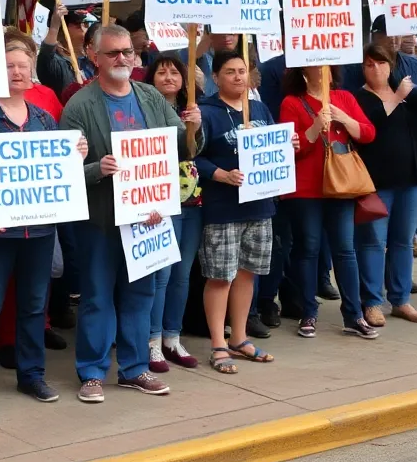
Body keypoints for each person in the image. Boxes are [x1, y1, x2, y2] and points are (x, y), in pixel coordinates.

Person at [59, 24, 197, 403]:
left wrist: (192, 129)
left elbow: (180, 151)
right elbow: (64, 170)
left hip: (148, 220)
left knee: (140, 296)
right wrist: (95, 169)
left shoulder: (151, 95)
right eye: (113, 53)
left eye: (127, 52)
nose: (122, 58)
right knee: (98, 298)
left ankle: (134, 370)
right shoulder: (79, 106)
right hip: (101, 222)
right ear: (94, 57)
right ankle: (92, 373)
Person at [0, 37, 86, 407]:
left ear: (32, 70)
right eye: (8, 66)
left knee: (35, 305)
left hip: (40, 230)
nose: (16, 72)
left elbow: (55, 172)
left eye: (22, 66)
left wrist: (76, 155)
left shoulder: (44, 119)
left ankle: (32, 375)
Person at [195, 51, 291, 374]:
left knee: (248, 272)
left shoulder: (260, 108)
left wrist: (286, 145)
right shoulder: (207, 112)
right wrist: (221, 174)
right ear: (216, 77)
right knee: (221, 276)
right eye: (230, 72)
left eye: (242, 71)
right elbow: (195, 156)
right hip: (223, 207)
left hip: (260, 204)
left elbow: (272, 145)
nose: (238, 77)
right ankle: (218, 345)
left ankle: (239, 337)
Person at [278, 65, 378, 340]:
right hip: (306, 189)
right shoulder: (291, 102)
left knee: (345, 250)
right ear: (303, 73)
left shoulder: (344, 97)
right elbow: (290, 150)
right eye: (317, 67)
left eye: (328, 67)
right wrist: (313, 129)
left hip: (340, 186)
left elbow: (368, 134)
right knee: (308, 249)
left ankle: (354, 315)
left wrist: (344, 118)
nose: (323, 71)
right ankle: (308, 311)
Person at [354, 44, 417, 325]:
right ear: (363, 68)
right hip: (377, 183)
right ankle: (371, 302)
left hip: (411, 179)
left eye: (382, 63)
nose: (377, 69)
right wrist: (396, 97)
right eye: (370, 64)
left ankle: (401, 300)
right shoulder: (360, 98)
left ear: (391, 66)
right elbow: (369, 127)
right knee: (373, 242)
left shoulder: (406, 91)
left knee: (403, 242)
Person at [143, 52, 203, 371]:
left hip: (192, 201)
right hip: (160, 202)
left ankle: (172, 337)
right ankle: (152, 341)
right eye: (161, 72)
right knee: (162, 274)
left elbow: (198, 152)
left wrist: (196, 127)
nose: (168, 78)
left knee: (182, 275)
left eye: (174, 73)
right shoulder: (144, 109)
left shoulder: (193, 109)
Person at [37, 6, 93, 99]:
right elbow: (46, 54)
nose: (84, 30)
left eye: (86, 25)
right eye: (78, 25)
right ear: (63, 29)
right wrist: (54, 27)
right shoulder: (56, 62)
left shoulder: (88, 61)